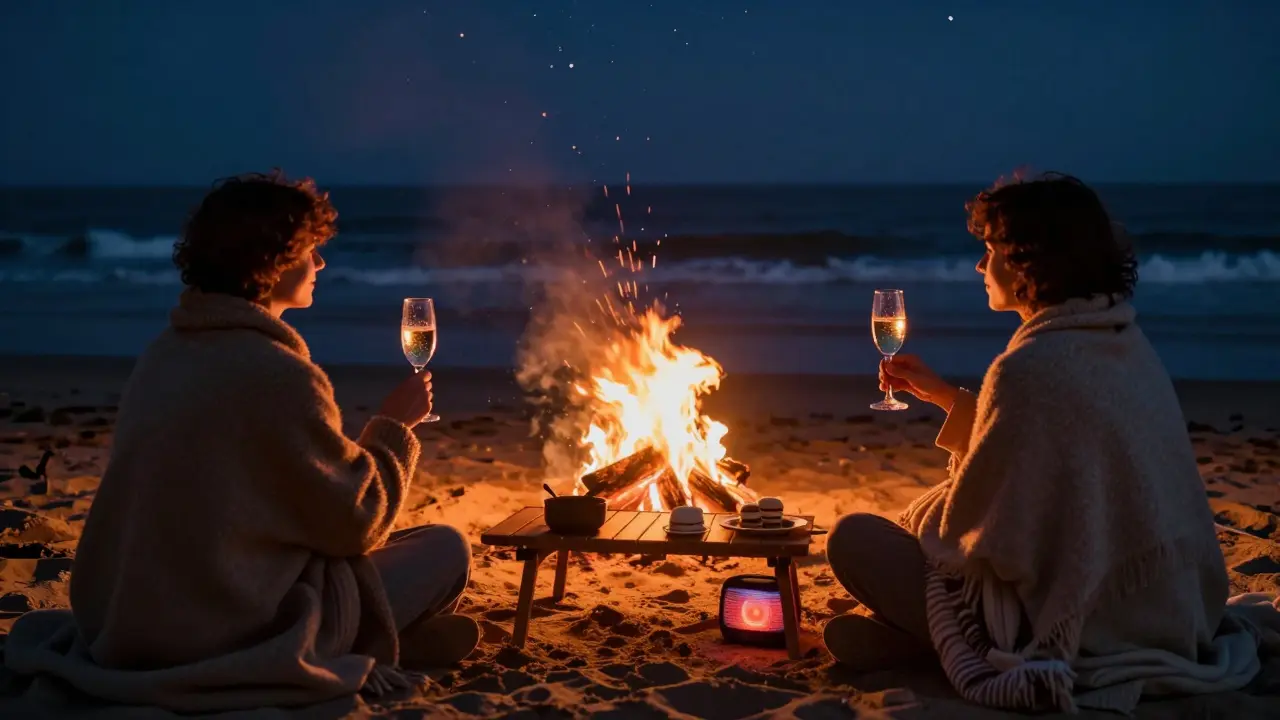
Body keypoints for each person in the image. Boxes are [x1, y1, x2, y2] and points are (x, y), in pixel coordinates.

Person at [3, 172, 478, 713]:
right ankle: (366, 650)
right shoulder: (279, 375)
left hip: (139, 619)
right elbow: (355, 522)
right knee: (445, 547)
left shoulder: (164, 354)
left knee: (396, 552)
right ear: (273, 259)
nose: (321, 264)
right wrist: (394, 427)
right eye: (311, 251)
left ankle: (387, 644)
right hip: (232, 629)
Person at [823, 173, 1273, 713]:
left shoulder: (1030, 368)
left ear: (1024, 258)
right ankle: (907, 642)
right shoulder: (1121, 339)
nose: (978, 265)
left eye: (989, 250)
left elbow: (981, 537)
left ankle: (923, 644)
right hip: (1162, 607)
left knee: (856, 538)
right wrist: (948, 398)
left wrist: (920, 521)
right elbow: (1051, 468)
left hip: (1085, 627)